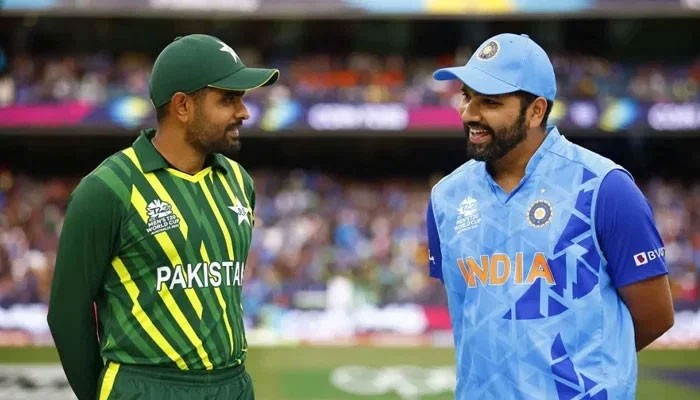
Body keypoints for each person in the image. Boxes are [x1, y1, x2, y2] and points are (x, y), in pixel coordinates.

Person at [426, 33, 674, 399]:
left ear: (536, 111)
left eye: (490, 102)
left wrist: (574, 369)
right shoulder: (446, 197)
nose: (469, 113)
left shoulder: (605, 188)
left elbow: (656, 315)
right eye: (466, 96)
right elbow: (472, 315)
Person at [47, 34, 278, 400]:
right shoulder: (107, 189)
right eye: (228, 99)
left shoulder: (239, 182)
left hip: (233, 385)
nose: (243, 112)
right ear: (183, 106)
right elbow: (66, 314)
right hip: (145, 386)